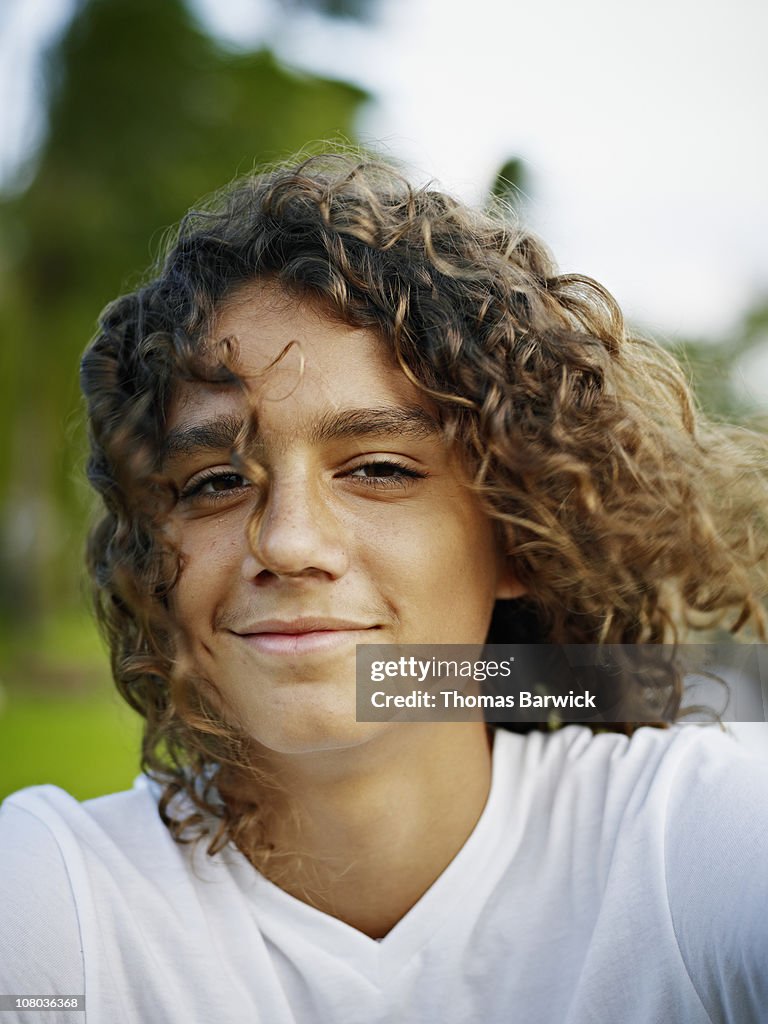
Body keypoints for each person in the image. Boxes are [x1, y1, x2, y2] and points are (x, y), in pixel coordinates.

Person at [1, 152, 767, 1024]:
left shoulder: (687, 839)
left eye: (377, 468)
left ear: (518, 532)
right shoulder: (54, 902)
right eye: (215, 482)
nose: (286, 543)